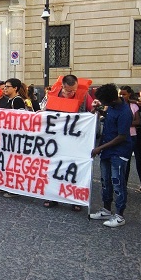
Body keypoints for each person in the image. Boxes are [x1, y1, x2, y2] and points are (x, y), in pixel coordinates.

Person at [40, 74, 93, 210]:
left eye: (74, 90)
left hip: (75, 140)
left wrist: (96, 108)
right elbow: (43, 110)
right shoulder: (51, 94)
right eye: (69, 90)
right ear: (62, 87)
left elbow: (91, 110)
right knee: (52, 167)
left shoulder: (84, 95)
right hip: (54, 140)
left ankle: (75, 199)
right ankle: (51, 196)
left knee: (74, 169)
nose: (72, 93)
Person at [90, 83, 132, 227]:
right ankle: (106, 209)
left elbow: (122, 136)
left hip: (119, 152)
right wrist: (100, 111)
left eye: (103, 101)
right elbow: (109, 119)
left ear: (111, 100)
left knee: (118, 183)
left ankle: (120, 215)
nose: (102, 103)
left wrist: (99, 148)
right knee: (105, 181)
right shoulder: (113, 107)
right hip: (107, 151)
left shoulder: (125, 112)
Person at [118, 86, 141, 188]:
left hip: (131, 136)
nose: (122, 96)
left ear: (129, 94)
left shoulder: (133, 106)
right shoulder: (116, 106)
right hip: (118, 137)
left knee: (126, 161)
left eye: (124, 94)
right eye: (120, 94)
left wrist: (125, 123)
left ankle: (124, 184)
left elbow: (137, 121)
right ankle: (118, 183)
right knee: (118, 161)